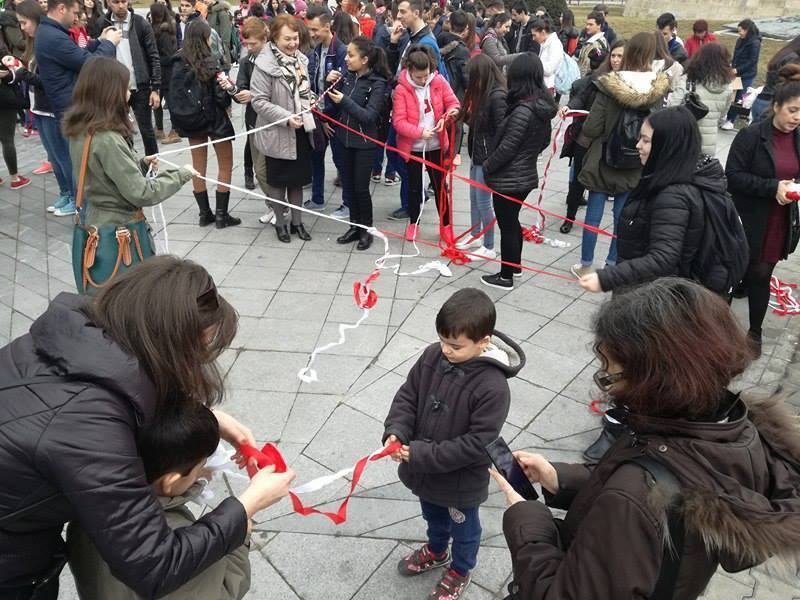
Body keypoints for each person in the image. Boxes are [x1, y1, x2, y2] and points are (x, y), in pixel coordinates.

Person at [0, 255, 297, 599]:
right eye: (198, 349)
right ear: (167, 342)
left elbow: (116, 390)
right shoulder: (87, 424)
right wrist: (247, 506)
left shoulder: (75, 338)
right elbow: (153, 565)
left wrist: (208, 418)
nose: (198, 361)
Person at [491, 276, 800, 599]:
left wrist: (527, 520)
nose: (605, 381)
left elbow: (633, 501)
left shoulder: (635, 492)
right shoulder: (731, 430)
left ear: (654, 380)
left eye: (610, 372)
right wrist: (560, 478)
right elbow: (661, 490)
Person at [383, 287, 525, 600]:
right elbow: (409, 395)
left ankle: (461, 569)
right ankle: (436, 551)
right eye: (443, 340)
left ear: (483, 342)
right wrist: (397, 431)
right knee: (432, 514)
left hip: (460, 480)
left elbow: (478, 442)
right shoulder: (433, 355)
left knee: (464, 528)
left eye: (456, 346)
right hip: (425, 470)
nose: (446, 350)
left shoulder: (494, 387)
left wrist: (419, 453)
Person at [67, 403, 251, 600]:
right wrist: (240, 534)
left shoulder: (85, 505)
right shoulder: (175, 538)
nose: (205, 471)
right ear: (170, 482)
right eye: (201, 465)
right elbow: (222, 591)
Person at [578, 105, 731, 295]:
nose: (637, 145)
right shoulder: (676, 175)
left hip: (652, 296)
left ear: (667, 145)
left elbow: (663, 257)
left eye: (646, 140)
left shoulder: (674, 194)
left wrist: (606, 278)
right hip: (650, 289)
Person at [572, 32, 669, 279]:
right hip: (636, 160)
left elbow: (592, 127)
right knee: (622, 217)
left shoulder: (610, 84)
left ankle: (585, 264)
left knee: (593, 215)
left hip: (604, 157)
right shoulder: (657, 90)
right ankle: (613, 264)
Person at [726, 65, 800, 357]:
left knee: (762, 274)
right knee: (733, 274)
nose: (797, 118)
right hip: (748, 218)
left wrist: (792, 189)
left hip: (779, 220)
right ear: (776, 107)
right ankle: (719, 332)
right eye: (793, 110)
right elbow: (732, 176)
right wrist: (772, 187)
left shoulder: (798, 138)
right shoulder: (752, 136)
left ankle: (754, 331)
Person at [480, 53, 556, 290]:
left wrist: (487, 165)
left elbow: (507, 148)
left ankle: (505, 276)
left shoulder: (523, 110)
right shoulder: (540, 106)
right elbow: (544, 141)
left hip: (510, 178)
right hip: (524, 174)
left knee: (508, 225)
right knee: (512, 223)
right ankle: (515, 266)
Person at [251, 13, 316, 243]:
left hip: (299, 130)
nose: (292, 44)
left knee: (297, 181)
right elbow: (258, 101)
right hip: (277, 132)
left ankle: (297, 222)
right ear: (274, 39)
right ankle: (280, 223)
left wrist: (312, 101)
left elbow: (303, 91)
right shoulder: (264, 64)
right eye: (287, 39)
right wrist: (286, 117)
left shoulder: (301, 60)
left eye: (295, 38)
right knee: (278, 182)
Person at [169, 20, 240, 229]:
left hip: (191, 120)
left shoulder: (177, 62)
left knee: (197, 168)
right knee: (225, 166)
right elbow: (221, 98)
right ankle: (221, 215)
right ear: (204, 38)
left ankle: (204, 213)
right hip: (215, 120)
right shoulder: (211, 62)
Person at [392, 44, 459, 241]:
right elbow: (398, 122)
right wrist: (420, 132)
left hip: (436, 145)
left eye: (426, 75)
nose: (423, 80)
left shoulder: (438, 81)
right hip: (412, 147)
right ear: (409, 71)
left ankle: (445, 225)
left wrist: (448, 116)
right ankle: (414, 222)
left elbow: (454, 103)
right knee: (414, 187)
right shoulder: (401, 89)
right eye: (418, 77)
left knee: (440, 186)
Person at [328, 36, 389, 251]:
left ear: (364, 59)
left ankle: (367, 230)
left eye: (351, 55)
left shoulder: (378, 84)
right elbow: (333, 107)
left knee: (361, 189)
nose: (346, 59)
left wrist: (344, 101)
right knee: (349, 187)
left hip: (364, 143)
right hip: (343, 140)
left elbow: (369, 116)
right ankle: (354, 226)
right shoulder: (348, 77)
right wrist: (329, 84)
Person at [14, 0, 71, 207]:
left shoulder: (48, 42)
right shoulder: (32, 43)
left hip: (52, 108)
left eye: (24, 23)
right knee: (54, 158)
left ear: (35, 19)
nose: (22, 27)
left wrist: (23, 75)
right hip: (37, 108)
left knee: (63, 157)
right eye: (19, 23)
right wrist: (15, 73)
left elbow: (49, 81)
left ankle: (74, 197)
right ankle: (65, 193)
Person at [558, 41, 615, 234]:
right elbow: (582, 96)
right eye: (613, 55)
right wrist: (570, 107)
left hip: (608, 139)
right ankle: (570, 217)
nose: (616, 60)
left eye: (620, 56)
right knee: (578, 179)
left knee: (600, 184)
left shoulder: (627, 82)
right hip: (586, 135)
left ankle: (592, 226)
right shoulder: (597, 78)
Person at [458, 53, 505, 261]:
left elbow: (501, 130)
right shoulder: (483, 92)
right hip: (477, 152)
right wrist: (463, 117)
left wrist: (493, 160)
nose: (472, 82)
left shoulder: (497, 95)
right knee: (474, 198)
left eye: (474, 77)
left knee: (484, 201)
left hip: (487, 157)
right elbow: (480, 123)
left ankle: (489, 245)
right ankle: (476, 234)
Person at [105, 0, 162, 157]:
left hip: (139, 86)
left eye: (123, 1)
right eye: (116, 2)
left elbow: (153, 56)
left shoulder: (140, 23)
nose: (121, 5)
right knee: (118, 132)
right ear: (109, 2)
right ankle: (128, 168)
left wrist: (155, 88)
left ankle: (153, 168)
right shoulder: (103, 24)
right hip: (114, 89)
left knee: (146, 130)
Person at [305, 6, 346, 213]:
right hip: (318, 115)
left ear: (328, 26)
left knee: (341, 160)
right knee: (316, 156)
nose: (312, 34)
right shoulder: (315, 51)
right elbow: (312, 84)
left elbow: (346, 87)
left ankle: (348, 204)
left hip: (335, 118)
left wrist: (328, 118)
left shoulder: (342, 51)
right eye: (310, 29)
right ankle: (317, 198)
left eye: (315, 30)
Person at [670, 42, 734, 156]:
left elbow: (672, 106)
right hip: (709, 143)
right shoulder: (727, 87)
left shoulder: (689, 80)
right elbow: (722, 115)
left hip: (684, 140)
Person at [235, 15, 268, 211]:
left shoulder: (275, 60)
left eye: (252, 43)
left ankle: (280, 207)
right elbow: (240, 87)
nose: (249, 47)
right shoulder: (246, 62)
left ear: (264, 39)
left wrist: (253, 94)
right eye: (246, 44)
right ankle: (273, 206)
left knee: (266, 170)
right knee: (259, 169)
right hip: (253, 118)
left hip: (273, 121)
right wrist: (234, 91)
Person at [721, 18, 761, 130]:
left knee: (740, 97)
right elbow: (737, 55)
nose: (739, 33)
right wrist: (732, 65)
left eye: (741, 31)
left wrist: (737, 70)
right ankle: (727, 116)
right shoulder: (740, 40)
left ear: (747, 30)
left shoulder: (755, 43)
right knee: (732, 95)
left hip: (747, 75)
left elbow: (752, 61)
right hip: (736, 73)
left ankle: (731, 120)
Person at [149, 2, 180, 145]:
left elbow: (169, 55)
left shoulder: (164, 32)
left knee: (170, 101)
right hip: (161, 71)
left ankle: (175, 130)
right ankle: (159, 128)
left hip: (166, 72)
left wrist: (154, 59)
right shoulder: (158, 29)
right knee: (156, 101)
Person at [751, 34, 800, 123]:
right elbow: (787, 88)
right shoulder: (793, 60)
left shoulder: (784, 54)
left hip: (761, 100)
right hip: (771, 106)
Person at [531, 17, 562, 93]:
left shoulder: (555, 45)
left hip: (548, 87)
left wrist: (532, 64)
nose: (533, 38)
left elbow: (549, 69)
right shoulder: (545, 43)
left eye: (535, 35)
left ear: (543, 33)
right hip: (542, 86)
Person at [576, 10, 607, 76]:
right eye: (587, 24)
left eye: (591, 25)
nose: (587, 27)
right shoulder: (591, 41)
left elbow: (586, 68)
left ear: (599, 25)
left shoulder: (596, 44)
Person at [205, 0, 232, 66]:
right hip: (211, 52)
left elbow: (225, 37)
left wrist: (223, 55)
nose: (204, 1)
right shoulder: (210, 12)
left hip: (220, 54)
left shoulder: (222, 13)